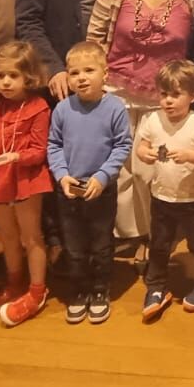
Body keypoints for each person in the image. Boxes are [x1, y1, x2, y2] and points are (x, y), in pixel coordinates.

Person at [85, 0, 194, 249]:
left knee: (151, 170)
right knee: (120, 169)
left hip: (165, 97)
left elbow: (192, 41)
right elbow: (94, 38)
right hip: (116, 91)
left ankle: (156, 238)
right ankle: (126, 237)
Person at [0, 40, 53, 327]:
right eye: (0, 75)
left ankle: (37, 290)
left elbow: (40, 150)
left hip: (26, 177)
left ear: (29, 76)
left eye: (13, 75)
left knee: (31, 236)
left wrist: (17, 156)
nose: (5, 82)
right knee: (7, 236)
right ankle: (15, 284)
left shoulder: (38, 107)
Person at [46, 42, 132, 326]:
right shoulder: (62, 109)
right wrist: (62, 175)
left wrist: (103, 176)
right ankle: (79, 290)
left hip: (101, 190)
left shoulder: (115, 108)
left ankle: (99, 289)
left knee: (101, 243)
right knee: (74, 246)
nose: (81, 78)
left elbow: (122, 145)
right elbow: (54, 145)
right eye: (74, 73)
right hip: (69, 190)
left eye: (89, 70)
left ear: (105, 73)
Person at [134, 59, 194, 321]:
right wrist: (145, 153)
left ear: (193, 96)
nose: (168, 101)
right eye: (164, 94)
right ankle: (156, 286)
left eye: (175, 94)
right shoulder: (153, 119)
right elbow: (142, 146)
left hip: (193, 199)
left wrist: (190, 156)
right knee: (159, 245)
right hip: (161, 197)